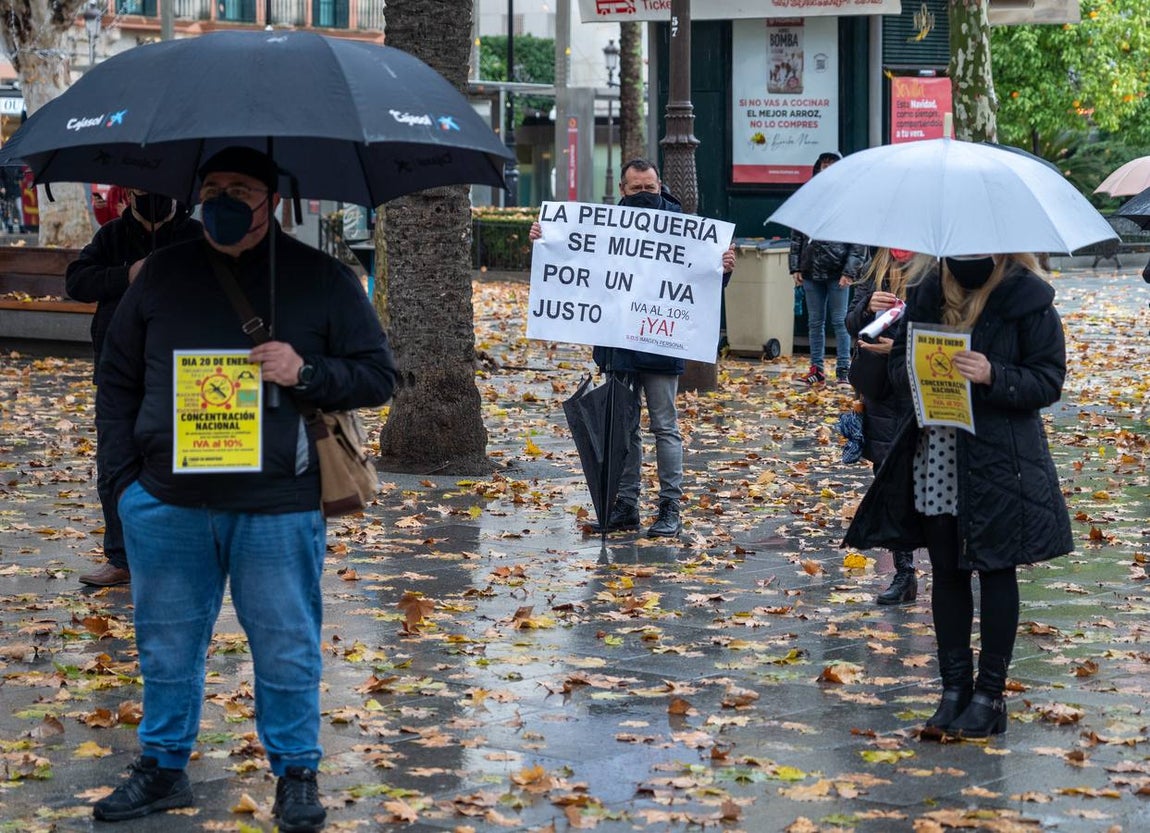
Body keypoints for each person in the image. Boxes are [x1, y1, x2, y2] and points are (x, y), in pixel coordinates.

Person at [92, 147, 397, 828]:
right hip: (168, 502)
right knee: (165, 646)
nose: (222, 199)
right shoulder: (163, 273)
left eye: (240, 188)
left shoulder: (322, 278)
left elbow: (378, 376)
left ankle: (296, 772)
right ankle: (164, 765)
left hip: (276, 505)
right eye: (212, 187)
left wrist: (305, 370)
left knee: (287, 644)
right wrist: (122, 487)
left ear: (272, 201)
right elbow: (115, 380)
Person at [845, 252, 1073, 739]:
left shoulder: (1027, 298)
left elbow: (1049, 379)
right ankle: (953, 690)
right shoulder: (925, 291)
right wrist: (888, 344)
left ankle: (990, 697)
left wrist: (994, 374)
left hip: (998, 458)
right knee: (946, 571)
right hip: (937, 450)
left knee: (994, 569)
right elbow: (892, 380)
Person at [529, 158, 735, 538]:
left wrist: (722, 268)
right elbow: (577, 265)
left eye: (650, 188)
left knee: (664, 426)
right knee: (623, 429)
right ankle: (626, 506)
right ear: (622, 190)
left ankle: (669, 507)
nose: (644, 194)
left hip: (660, 344)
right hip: (619, 347)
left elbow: (698, 290)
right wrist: (547, 241)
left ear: (661, 187)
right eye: (637, 188)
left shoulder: (684, 229)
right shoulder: (605, 227)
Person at [66, 188, 203, 588]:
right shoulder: (111, 236)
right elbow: (77, 281)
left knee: (177, 463)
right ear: (128, 192)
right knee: (115, 462)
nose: (152, 196)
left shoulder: (195, 236)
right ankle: (121, 557)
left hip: (179, 370)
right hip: (117, 371)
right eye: (142, 189)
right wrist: (128, 273)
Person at [844, 248, 926, 605]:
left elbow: (953, 332)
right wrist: (865, 310)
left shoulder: (938, 271)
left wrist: (902, 350)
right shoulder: (873, 269)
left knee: (928, 480)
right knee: (889, 480)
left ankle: (953, 563)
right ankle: (903, 572)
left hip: (923, 389)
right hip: (880, 390)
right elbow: (851, 324)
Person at [788, 152, 867, 386]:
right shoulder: (808, 197)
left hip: (837, 272)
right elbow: (797, 235)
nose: (827, 169)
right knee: (815, 322)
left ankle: (843, 369)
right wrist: (796, 266)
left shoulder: (849, 199)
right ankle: (817, 369)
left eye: (832, 165)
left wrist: (849, 271)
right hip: (811, 270)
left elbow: (858, 240)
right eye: (824, 165)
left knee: (840, 321)